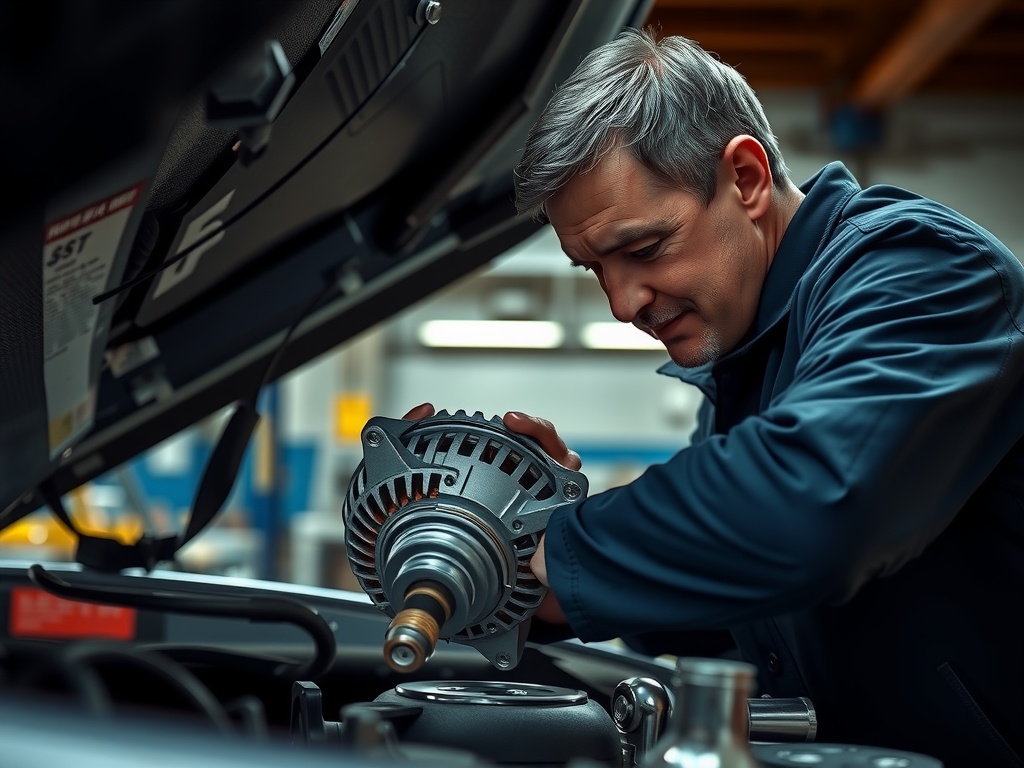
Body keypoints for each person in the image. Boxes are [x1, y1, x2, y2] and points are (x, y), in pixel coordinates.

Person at [407, 27, 1023, 767]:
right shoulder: (751, 348)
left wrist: (556, 550)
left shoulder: (920, 269)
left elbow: (814, 507)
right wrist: (537, 524)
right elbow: (725, 614)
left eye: (642, 249)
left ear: (746, 178)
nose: (622, 302)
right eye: (593, 268)